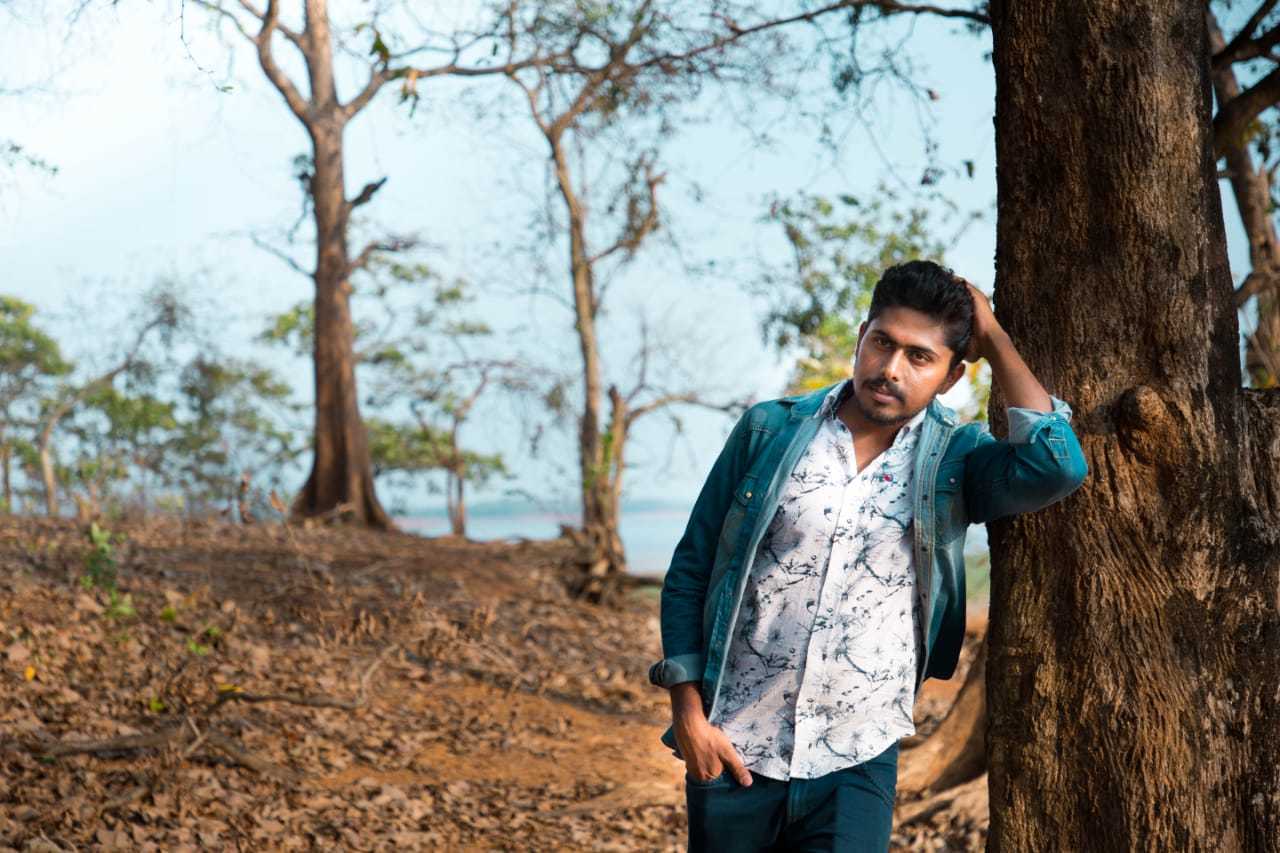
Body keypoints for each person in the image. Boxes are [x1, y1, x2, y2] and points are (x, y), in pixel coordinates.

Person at [648, 260, 1088, 852]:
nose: (890, 368)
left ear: (952, 377)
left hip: (856, 757)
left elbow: (1056, 466)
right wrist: (688, 715)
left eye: (919, 357)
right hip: (734, 747)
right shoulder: (768, 431)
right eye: (883, 343)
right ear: (861, 338)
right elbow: (692, 569)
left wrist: (995, 338)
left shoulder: (954, 461)